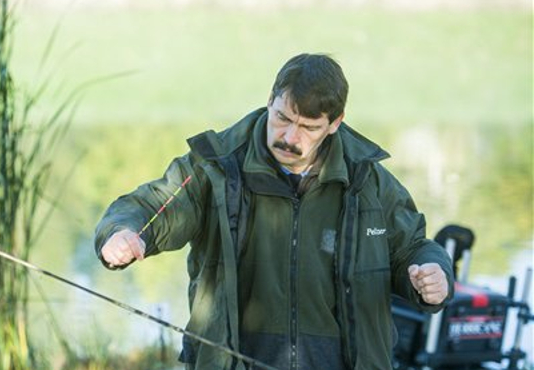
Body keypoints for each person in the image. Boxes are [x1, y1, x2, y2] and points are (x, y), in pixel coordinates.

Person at [94, 53, 454, 370]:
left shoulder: (369, 180)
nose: (289, 137)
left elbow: (413, 248)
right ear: (270, 100)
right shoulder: (217, 166)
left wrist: (435, 276)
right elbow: (151, 205)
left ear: (335, 123)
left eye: (309, 128)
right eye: (282, 118)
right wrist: (121, 232)